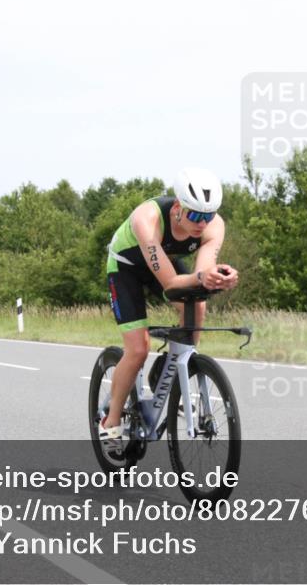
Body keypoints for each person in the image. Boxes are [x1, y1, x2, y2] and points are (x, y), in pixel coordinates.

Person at [99, 168, 239, 439]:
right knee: (138, 349)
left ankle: (171, 370)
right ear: (177, 208)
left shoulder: (214, 226)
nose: (202, 223)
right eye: (195, 215)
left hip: (163, 262)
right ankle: (110, 422)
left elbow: (202, 273)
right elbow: (172, 283)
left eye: (208, 216)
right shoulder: (147, 219)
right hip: (127, 268)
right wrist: (202, 277)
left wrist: (217, 277)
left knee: (197, 305)